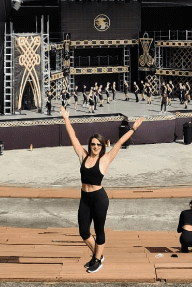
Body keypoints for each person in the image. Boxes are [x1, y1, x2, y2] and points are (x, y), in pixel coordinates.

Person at [61, 106, 144, 273]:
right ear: (89, 145)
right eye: (92, 144)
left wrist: (134, 128)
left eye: (98, 144)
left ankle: (97, 259)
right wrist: (66, 119)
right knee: (84, 231)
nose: (95, 147)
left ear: (102, 146)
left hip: (99, 198)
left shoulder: (105, 160)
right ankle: (97, 255)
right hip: (85, 198)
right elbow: (73, 138)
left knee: (99, 231)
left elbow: (120, 142)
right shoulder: (83, 156)